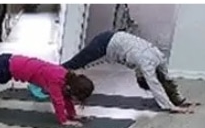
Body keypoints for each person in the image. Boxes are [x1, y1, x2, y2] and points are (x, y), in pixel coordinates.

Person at [0, 53, 95, 127]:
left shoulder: (66, 79)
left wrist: (74, 116)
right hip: (4, 66)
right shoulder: (57, 79)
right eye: (77, 98)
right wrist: (64, 121)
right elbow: (58, 101)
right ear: (72, 88)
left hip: (7, 66)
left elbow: (66, 98)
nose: (75, 100)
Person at [61, 30, 196, 113]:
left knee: (77, 64)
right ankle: (45, 79)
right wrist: (170, 107)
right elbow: (156, 85)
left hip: (112, 38)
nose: (138, 75)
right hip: (105, 43)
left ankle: (50, 77)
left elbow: (166, 80)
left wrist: (180, 100)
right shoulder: (147, 65)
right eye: (140, 77)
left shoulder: (159, 57)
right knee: (74, 64)